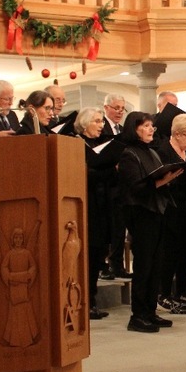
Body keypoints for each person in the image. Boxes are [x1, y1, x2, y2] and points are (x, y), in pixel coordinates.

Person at [119, 111, 184, 333]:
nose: (151, 129)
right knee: (144, 265)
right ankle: (138, 315)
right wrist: (163, 180)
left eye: (151, 126)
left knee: (156, 265)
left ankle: (150, 311)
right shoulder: (129, 154)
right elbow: (134, 188)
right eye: (145, 126)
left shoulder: (152, 153)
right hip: (141, 214)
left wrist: (170, 178)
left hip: (158, 212)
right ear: (133, 129)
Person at [74, 106, 123, 320]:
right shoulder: (76, 144)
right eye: (96, 121)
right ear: (84, 124)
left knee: (99, 254)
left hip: (104, 205)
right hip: (87, 206)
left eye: (102, 121)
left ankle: (92, 298)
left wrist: (113, 169)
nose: (101, 125)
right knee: (87, 257)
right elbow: (83, 175)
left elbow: (108, 177)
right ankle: (84, 301)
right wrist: (107, 169)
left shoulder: (103, 145)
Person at [156, 113, 186, 315]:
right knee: (169, 253)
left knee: (185, 251)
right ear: (177, 134)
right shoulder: (163, 151)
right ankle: (163, 293)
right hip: (169, 209)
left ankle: (180, 291)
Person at [101, 93, 131, 280]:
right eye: (116, 108)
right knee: (108, 228)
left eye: (122, 108)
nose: (119, 111)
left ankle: (117, 264)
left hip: (121, 185)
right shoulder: (101, 127)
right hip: (106, 185)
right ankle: (105, 265)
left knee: (120, 227)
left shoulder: (122, 130)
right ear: (106, 108)